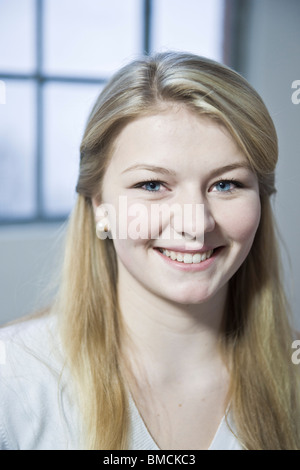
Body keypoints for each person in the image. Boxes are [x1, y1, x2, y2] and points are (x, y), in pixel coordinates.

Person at [0, 51, 299, 450]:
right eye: (153, 185)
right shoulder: (12, 379)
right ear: (99, 208)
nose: (195, 224)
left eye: (226, 184)